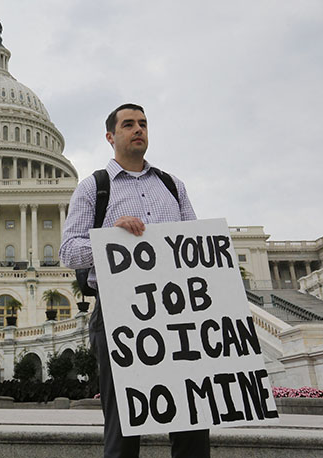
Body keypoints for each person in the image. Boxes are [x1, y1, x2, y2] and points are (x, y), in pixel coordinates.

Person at [59, 103, 210, 457]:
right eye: (128, 124)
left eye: (143, 123)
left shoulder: (173, 186)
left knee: (193, 423)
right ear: (111, 137)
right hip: (118, 313)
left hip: (177, 312)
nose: (138, 129)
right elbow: (69, 252)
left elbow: (196, 246)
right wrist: (111, 239)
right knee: (124, 427)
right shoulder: (92, 188)